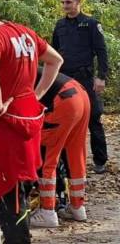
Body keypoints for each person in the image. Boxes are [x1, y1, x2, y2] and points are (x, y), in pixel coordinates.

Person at [0, 5, 63, 243]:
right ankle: (18, 235)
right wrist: (36, 95)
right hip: (28, 119)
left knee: (7, 190)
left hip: (5, 125)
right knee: (22, 187)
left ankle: (17, 238)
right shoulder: (25, 32)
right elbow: (56, 60)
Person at [52, 0, 109, 174]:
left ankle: (100, 160)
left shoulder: (91, 24)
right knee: (66, 120)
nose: (65, 6)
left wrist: (101, 77)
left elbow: (101, 52)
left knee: (93, 117)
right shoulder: (60, 26)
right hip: (66, 79)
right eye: (62, 2)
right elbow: (54, 52)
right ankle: (69, 163)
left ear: (78, 2)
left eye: (68, 2)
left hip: (85, 77)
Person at [27, 69, 90, 227]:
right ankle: (77, 207)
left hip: (62, 99)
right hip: (80, 93)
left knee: (48, 154)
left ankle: (47, 211)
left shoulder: (0, 73)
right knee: (75, 154)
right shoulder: (24, 62)